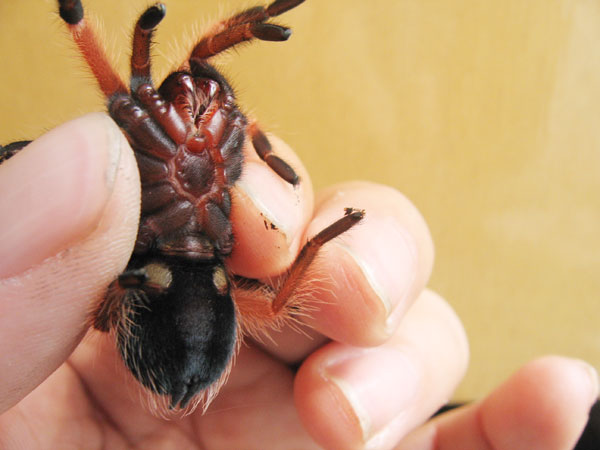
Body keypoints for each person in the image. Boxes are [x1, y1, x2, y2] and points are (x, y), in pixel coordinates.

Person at [0, 113, 596, 449]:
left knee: (284, 242)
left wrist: (311, 242)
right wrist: (313, 245)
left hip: (167, 296)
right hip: (167, 294)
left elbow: (276, 293)